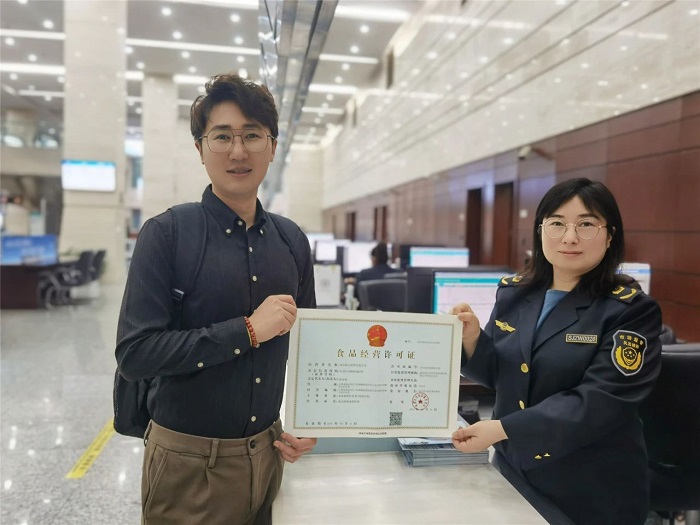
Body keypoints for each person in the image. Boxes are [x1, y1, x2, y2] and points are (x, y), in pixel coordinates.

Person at [116, 73, 317, 525]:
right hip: (188, 466)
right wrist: (246, 331)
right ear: (200, 148)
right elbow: (135, 354)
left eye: (252, 135)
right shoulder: (166, 234)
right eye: (222, 136)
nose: (238, 151)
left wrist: (310, 420)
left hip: (269, 455)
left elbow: (310, 346)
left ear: (273, 145)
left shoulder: (292, 241)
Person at [450, 178, 661, 525]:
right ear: (540, 230)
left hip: (590, 488)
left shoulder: (630, 310)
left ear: (610, 236)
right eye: (557, 223)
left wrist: (506, 428)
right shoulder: (515, 293)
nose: (569, 237)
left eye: (586, 224)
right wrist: (473, 340)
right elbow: (504, 374)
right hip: (513, 470)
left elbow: (600, 401)